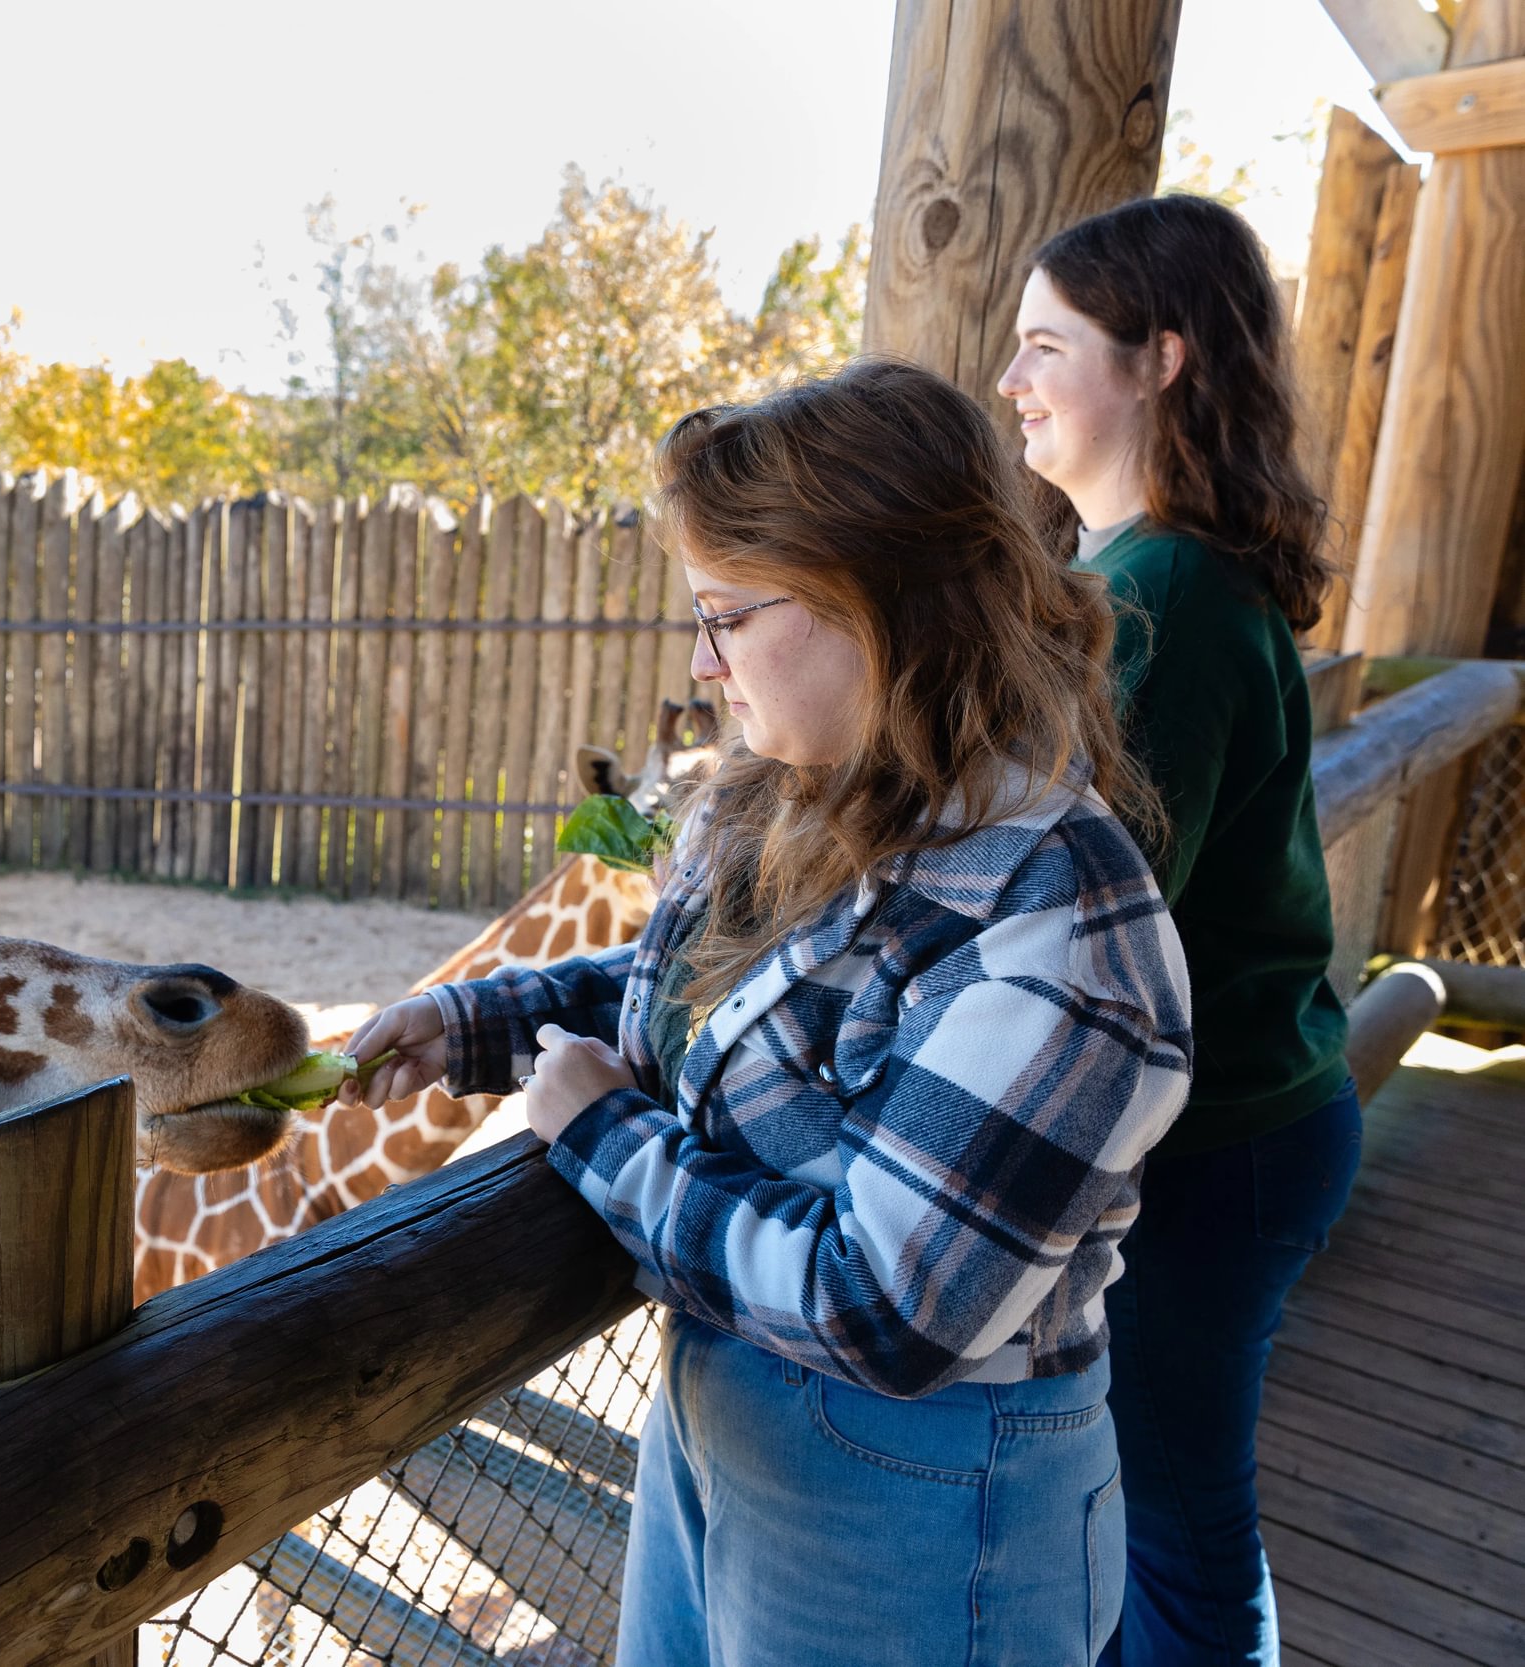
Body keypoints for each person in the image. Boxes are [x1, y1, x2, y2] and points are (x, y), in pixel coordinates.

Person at [339, 358, 1193, 1666]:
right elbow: (696, 999)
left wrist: (600, 1140)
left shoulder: (1061, 926)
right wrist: (474, 1028)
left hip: (920, 1495)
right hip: (723, 1416)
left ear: (890, 606)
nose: (699, 661)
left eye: (728, 617)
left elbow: (886, 1310)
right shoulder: (802, 795)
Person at [997, 193, 1358, 1667]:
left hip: (1214, 1154)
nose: (1011, 382)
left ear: (1160, 359)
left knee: (1177, 1523)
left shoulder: (1158, 602)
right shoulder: (1157, 580)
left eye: (1044, 346)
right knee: (1166, 1510)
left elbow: (1093, 914)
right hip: (1244, 1127)